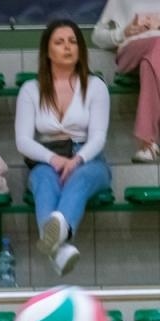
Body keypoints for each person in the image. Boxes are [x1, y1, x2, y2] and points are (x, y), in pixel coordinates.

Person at [17, 20, 110, 277]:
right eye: (59, 42)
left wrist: (77, 160)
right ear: (47, 51)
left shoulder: (96, 86)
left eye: (73, 42)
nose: (68, 47)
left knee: (80, 177)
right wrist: (54, 159)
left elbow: (99, 137)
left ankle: (58, 233)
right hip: (47, 159)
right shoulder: (30, 90)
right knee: (44, 181)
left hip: (90, 159)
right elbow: (23, 141)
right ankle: (61, 248)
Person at [93, 0, 160, 161]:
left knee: (149, 65)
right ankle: (145, 138)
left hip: (153, 59)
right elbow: (96, 36)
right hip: (131, 52)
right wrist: (123, 33)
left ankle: (146, 145)